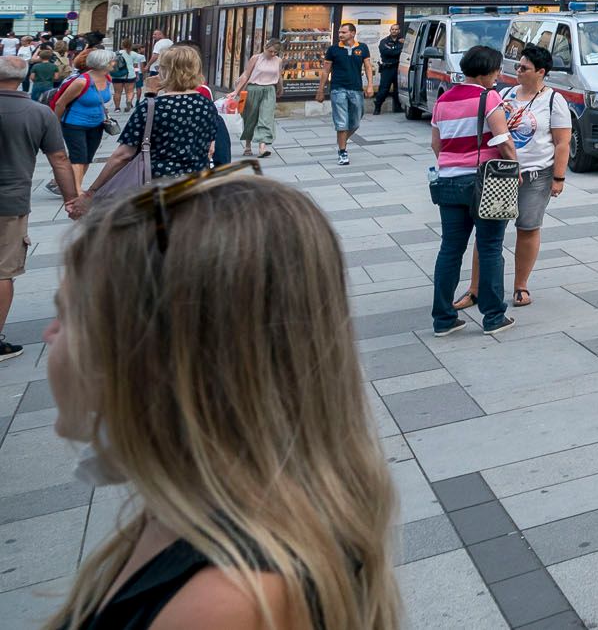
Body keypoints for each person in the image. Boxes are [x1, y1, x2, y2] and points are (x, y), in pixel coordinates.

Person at [41, 165, 401, 628]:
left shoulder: (220, 603)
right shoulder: (215, 508)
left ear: (154, 356)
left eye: (68, 315)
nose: (50, 336)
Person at [457, 43, 571, 312]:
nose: (517, 71)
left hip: (536, 174)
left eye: (524, 68)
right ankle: (475, 289)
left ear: (541, 72)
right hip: (500, 173)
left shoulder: (554, 100)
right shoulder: (505, 93)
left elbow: (562, 142)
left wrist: (558, 178)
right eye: (517, 66)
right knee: (486, 231)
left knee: (528, 227)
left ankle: (521, 286)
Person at [0, 54, 86, 361]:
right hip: (10, 203)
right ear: (25, 77)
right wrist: (71, 199)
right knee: (2, 272)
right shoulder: (38, 113)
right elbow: (59, 160)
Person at [429, 45, 519, 336]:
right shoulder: (487, 96)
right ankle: (493, 316)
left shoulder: (443, 100)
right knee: (490, 247)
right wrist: (514, 168)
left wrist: (453, 163)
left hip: (448, 182)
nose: (498, 76)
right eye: (496, 70)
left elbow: (436, 145)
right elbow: (503, 140)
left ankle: (443, 319)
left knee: (450, 249)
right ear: (485, 73)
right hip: (485, 182)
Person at [94, 44, 226, 184]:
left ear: (166, 71)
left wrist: (93, 190)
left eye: (160, 68)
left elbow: (123, 154)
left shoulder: (153, 106)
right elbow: (210, 148)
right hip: (195, 184)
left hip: (159, 186)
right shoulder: (207, 105)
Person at [51, 49, 116, 197]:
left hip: (97, 124)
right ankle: (76, 190)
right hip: (74, 124)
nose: (114, 63)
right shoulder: (82, 81)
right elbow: (61, 104)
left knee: (87, 157)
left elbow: (101, 100)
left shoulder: (107, 78)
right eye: (112, 60)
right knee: (78, 156)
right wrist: (54, 125)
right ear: (102, 63)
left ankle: (71, 184)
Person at [318, 21, 370, 166]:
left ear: (352, 33)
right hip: (338, 89)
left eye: (343, 32)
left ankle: (342, 140)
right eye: (340, 32)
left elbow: (367, 67)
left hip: (356, 89)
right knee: (341, 122)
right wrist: (321, 89)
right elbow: (325, 70)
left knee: (355, 121)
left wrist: (370, 85)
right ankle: (343, 152)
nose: (340, 34)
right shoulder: (333, 50)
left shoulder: (362, 48)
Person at [231, 38, 284, 160]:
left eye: (275, 52)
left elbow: (278, 75)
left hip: (269, 90)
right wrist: (236, 91)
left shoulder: (278, 60)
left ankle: (262, 147)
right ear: (265, 47)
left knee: (266, 117)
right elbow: (246, 75)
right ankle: (247, 145)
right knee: (250, 117)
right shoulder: (256, 58)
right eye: (271, 51)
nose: (273, 54)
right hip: (253, 89)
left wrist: (280, 87)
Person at [372, 28, 404, 115]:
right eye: (393, 29)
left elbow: (403, 52)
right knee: (384, 89)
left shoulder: (402, 41)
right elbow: (387, 52)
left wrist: (396, 50)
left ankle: (397, 107)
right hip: (388, 68)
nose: (394, 31)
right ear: (390, 30)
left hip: (398, 68)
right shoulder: (384, 41)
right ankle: (377, 107)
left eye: (397, 29)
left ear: (399, 31)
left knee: (398, 89)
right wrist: (398, 50)